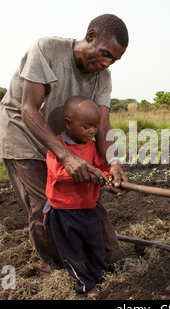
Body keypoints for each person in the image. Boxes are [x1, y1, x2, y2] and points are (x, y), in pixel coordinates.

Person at [0, 14, 128, 277]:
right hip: (23, 134)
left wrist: (113, 162)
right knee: (48, 203)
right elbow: (28, 109)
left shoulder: (103, 77)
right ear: (90, 36)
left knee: (84, 198)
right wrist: (66, 158)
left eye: (113, 59)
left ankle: (105, 260)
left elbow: (103, 125)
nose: (106, 63)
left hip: (63, 141)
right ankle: (57, 268)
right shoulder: (47, 49)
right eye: (104, 53)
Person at [43, 97, 111, 296]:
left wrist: (107, 177)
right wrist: (92, 176)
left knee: (96, 246)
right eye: (86, 126)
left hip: (89, 207)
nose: (92, 131)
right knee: (73, 253)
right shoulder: (58, 147)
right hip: (64, 212)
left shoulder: (91, 146)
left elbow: (102, 166)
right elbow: (61, 174)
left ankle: (102, 277)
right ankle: (86, 285)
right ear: (68, 124)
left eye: (95, 127)